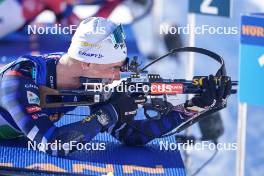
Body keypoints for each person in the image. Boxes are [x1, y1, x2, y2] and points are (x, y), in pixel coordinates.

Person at [0, 17, 231, 156]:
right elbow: (53, 145)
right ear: (87, 63)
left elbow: (132, 136)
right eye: (113, 68)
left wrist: (194, 106)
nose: (117, 75)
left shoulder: (89, 78)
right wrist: (108, 114)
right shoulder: (17, 80)